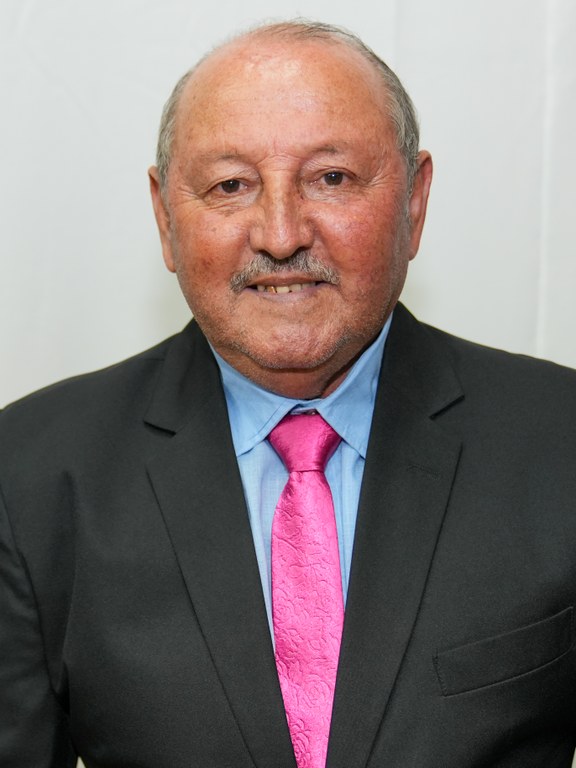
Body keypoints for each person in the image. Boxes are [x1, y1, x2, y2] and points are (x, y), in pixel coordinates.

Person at [1, 19, 575, 768]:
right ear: (165, 217)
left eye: (330, 178)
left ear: (414, 201)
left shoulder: (559, 443)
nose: (280, 235)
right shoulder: (29, 477)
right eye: (231, 185)